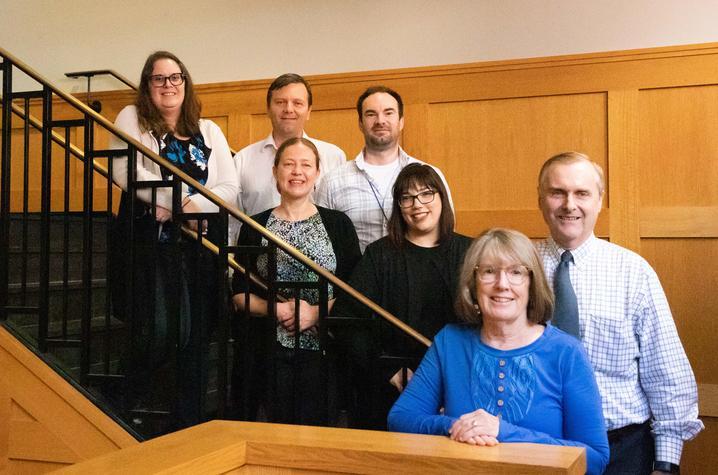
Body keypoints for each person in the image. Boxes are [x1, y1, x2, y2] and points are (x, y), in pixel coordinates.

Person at [388, 228, 609, 475]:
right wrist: (457, 426)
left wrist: (502, 432)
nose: (502, 284)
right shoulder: (450, 342)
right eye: (489, 272)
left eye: (516, 272)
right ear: (473, 284)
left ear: (531, 284)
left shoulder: (566, 353)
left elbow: (595, 458)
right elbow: (400, 418)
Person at [536, 152, 703, 474]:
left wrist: (665, 464)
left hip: (623, 450)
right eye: (558, 192)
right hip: (537, 444)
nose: (569, 204)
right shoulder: (517, 269)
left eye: (582, 193)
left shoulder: (633, 273)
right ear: (541, 200)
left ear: (599, 201)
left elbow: (665, 371)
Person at [109, 51, 237, 429]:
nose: (168, 85)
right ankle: (117, 403)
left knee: (196, 337)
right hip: (148, 244)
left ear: (186, 82)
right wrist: (176, 203)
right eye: (159, 78)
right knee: (160, 331)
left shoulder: (209, 129)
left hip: (199, 247)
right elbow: (124, 170)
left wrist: (191, 207)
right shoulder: (132, 118)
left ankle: (188, 423)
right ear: (148, 84)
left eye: (175, 77)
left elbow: (230, 185)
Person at [231, 137, 360, 425]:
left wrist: (315, 313)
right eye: (288, 164)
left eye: (305, 165)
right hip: (269, 352)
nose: (297, 172)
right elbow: (239, 294)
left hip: (325, 348)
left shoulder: (339, 224)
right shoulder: (253, 226)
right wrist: (275, 309)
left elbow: (355, 293)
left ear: (317, 173)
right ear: (275, 172)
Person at [331, 163, 470, 429]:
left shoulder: (470, 251)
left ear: (442, 197)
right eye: (407, 198)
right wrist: (389, 371)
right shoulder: (380, 255)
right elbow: (344, 318)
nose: (417, 204)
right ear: (399, 206)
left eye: (426, 193)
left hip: (459, 382)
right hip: (393, 385)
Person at [316, 85, 453, 251]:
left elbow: (446, 230)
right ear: (360, 123)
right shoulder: (332, 182)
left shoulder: (431, 175)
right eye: (371, 114)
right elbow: (322, 243)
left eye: (388, 113)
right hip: (355, 275)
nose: (380, 121)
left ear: (401, 121)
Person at [230, 73, 346, 243]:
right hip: (258, 257)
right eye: (280, 102)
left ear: (309, 111)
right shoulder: (242, 160)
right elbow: (232, 222)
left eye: (297, 103)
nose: (289, 109)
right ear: (268, 109)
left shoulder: (334, 156)